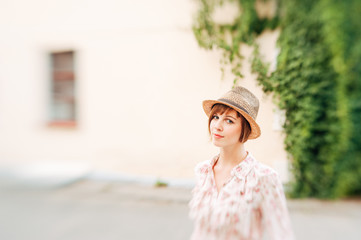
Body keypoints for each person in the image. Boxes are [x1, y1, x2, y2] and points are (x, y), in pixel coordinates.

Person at [188, 86, 295, 240]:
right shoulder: (203, 171)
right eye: (215, 117)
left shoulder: (264, 178)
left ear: (245, 129)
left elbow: (281, 234)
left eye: (229, 121)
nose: (217, 126)